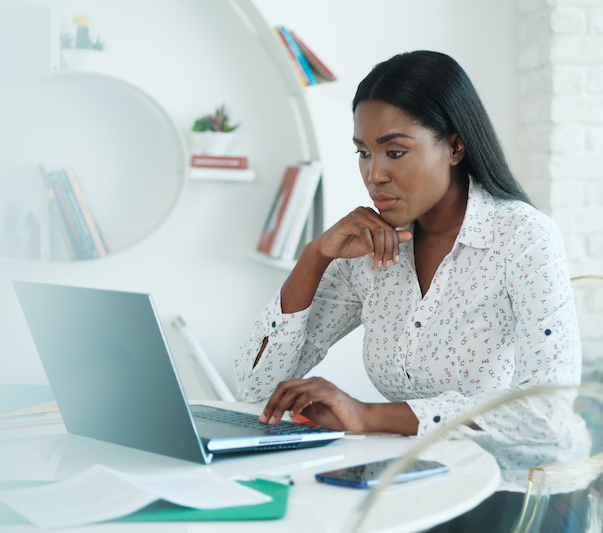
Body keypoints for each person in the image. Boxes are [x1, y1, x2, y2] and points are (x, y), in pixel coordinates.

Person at [235, 50, 583, 531]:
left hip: (514, 489)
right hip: (414, 483)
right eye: (363, 151)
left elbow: (544, 413)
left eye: (394, 152)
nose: (374, 173)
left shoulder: (522, 239)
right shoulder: (371, 250)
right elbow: (255, 386)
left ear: (455, 146)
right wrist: (315, 256)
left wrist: (367, 415)